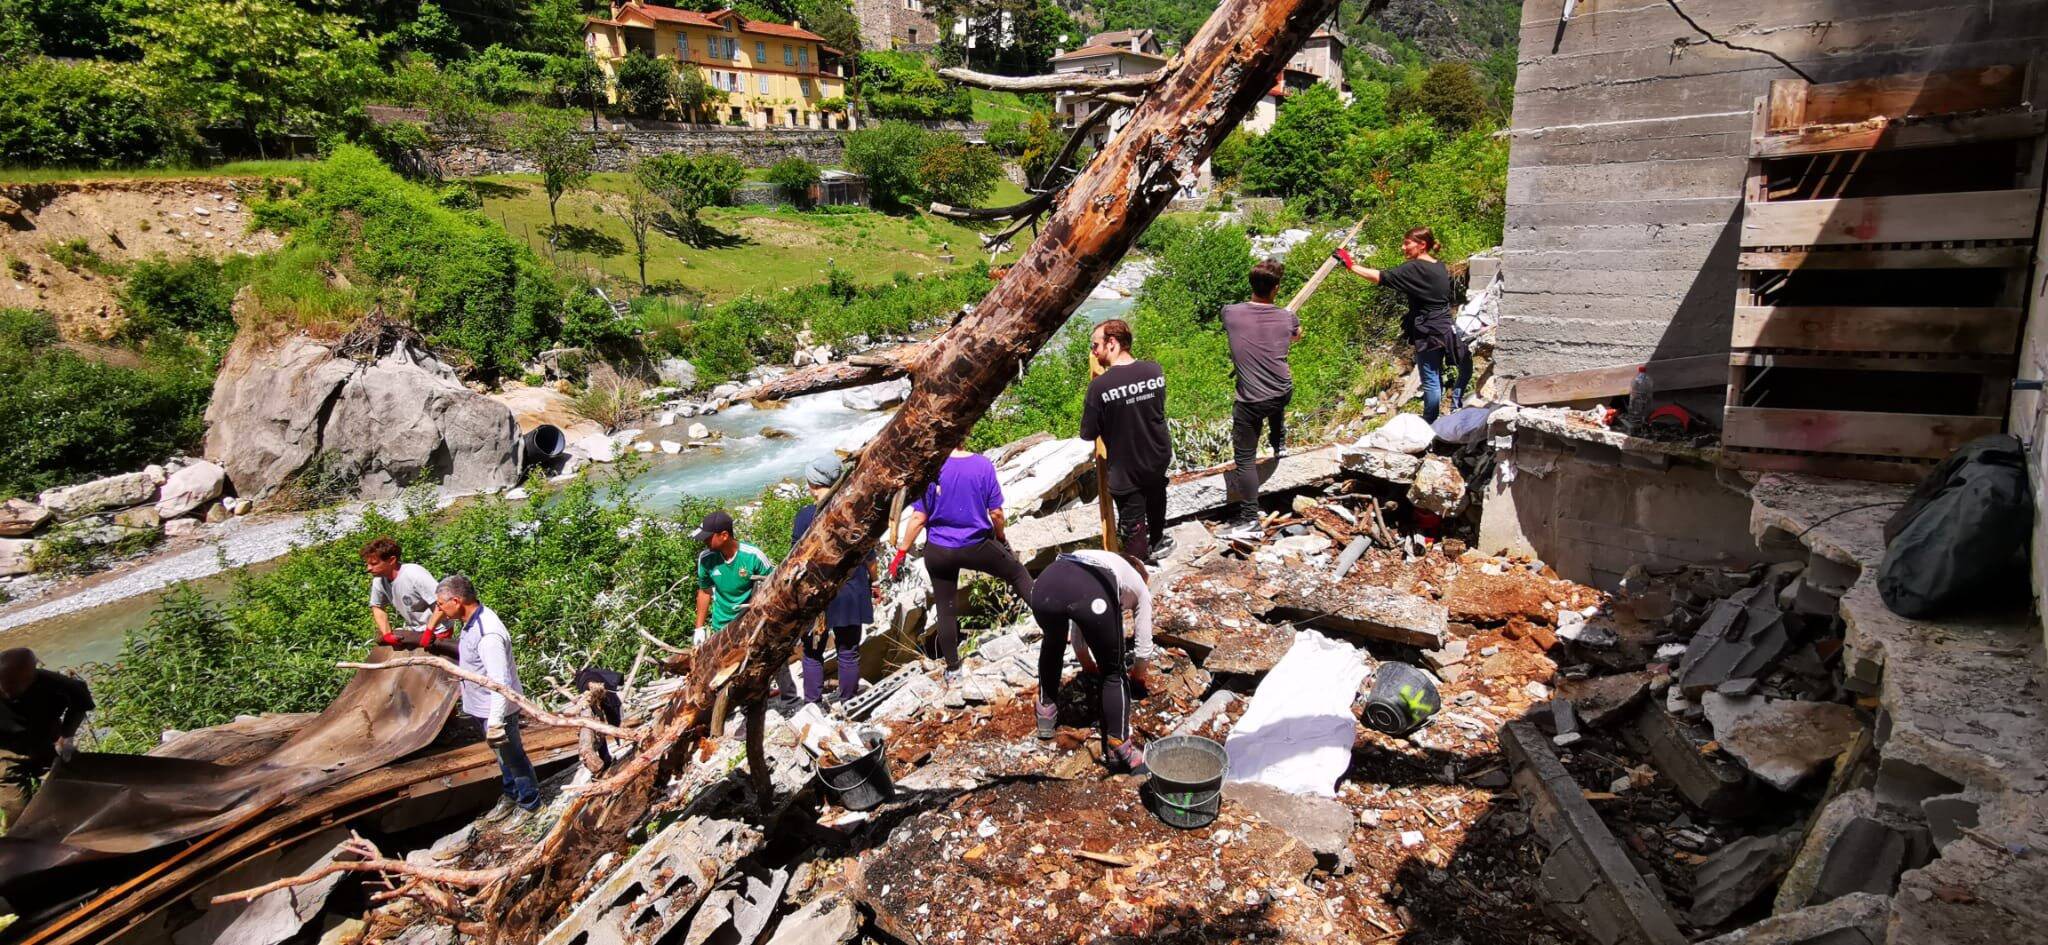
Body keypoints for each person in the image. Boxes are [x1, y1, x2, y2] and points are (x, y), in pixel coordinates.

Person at [889, 449, 1034, 684]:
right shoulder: (982, 465)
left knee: (946, 608)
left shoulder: (930, 468)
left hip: (939, 550)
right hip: (977, 546)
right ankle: (1054, 623)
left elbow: (919, 518)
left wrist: (901, 552)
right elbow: (996, 513)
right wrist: (1001, 538)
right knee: (1017, 573)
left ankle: (954, 669)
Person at [1028, 551, 1155, 774]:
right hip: (1091, 592)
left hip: (1045, 585)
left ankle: (1046, 716)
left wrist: (1088, 666)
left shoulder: (1097, 560)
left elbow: (1079, 627)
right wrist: (1137, 677)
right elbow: (1143, 650)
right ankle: (1119, 748)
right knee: (1114, 671)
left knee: (1053, 643)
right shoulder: (1140, 587)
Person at [1335, 226, 1470, 423]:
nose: (1403, 247)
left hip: (1427, 331)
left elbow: (1381, 277)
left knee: (1432, 381)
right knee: (1465, 365)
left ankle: (1429, 425)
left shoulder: (1414, 268)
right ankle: (1456, 405)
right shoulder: (1440, 266)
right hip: (1446, 326)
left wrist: (1351, 265)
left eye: (1407, 243)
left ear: (1422, 245)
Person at [431, 575, 540, 813]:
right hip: (483, 707)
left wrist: (495, 721)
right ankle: (512, 795)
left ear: (457, 601)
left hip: (497, 710)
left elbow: (500, 681)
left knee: (514, 758)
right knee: (503, 757)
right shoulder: (470, 621)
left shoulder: (488, 634)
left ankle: (530, 804)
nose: (438, 609)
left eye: (440, 604)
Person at [1219, 258, 1302, 537]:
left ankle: (1250, 518)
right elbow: (1296, 337)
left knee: (1245, 459)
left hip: (1251, 401)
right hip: (1282, 391)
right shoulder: (1288, 317)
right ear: (1276, 288)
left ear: (1251, 284)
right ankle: (1279, 441)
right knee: (1275, 397)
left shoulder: (1230, 313)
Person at [1079, 319, 1173, 563]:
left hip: (1125, 464)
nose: (1093, 351)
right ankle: (1158, 541)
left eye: (1095, 344)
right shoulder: (1154, 371)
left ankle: (1137, 566)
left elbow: (1088, 432)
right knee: (1155, 496)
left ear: (1112, 343)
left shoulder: (1100, 387)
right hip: (1157, 454)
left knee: (1132, 522)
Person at [791, 456, 874, 708]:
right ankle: (849, 702)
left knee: (812, 652)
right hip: (850, 587)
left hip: (816, 591)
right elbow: (869, 554)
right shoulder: (854, 512)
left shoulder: (805, 516)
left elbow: (795, 557)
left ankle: (812, 705)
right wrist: (876, 583)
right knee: (848, 650)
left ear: (813, 483)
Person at [0, 648, 93, 830]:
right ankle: (18, 844)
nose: (8, 691)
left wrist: (66, 736)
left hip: (48, 743)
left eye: (15, 683)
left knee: (77, 790)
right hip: (6, 751)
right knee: (15, 809)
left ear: (32, 676)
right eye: (3, 685)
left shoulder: (52, 683)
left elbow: (80, 703)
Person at [692, 510, 777, 643]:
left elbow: (774, 587)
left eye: (708, 537)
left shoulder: (753, 556)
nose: (704, 541)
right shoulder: (706, 559)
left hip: (749, 623)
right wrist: (699, 628)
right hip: (721, 626)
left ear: (724, 535)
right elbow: (704, 592)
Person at [361, 537, 449, 652]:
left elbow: (443, 604)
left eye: (374, 564)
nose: (368, 568)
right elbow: (377, 607)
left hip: (438, 629)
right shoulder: (379, 580)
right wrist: (387, 634)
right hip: (414, 630)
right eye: (368, 564)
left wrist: (429, 631)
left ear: (391, 560)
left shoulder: (414, 574)